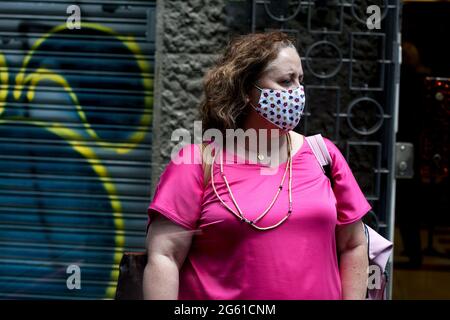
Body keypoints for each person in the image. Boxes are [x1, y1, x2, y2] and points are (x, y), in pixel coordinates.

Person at [143, 31, 371, 300]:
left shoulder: (324, 156)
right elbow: (164, 256)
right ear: (246, 91)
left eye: (300, 80)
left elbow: (353, 244)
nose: (297, 92)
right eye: (286, 81)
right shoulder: (196, 163)